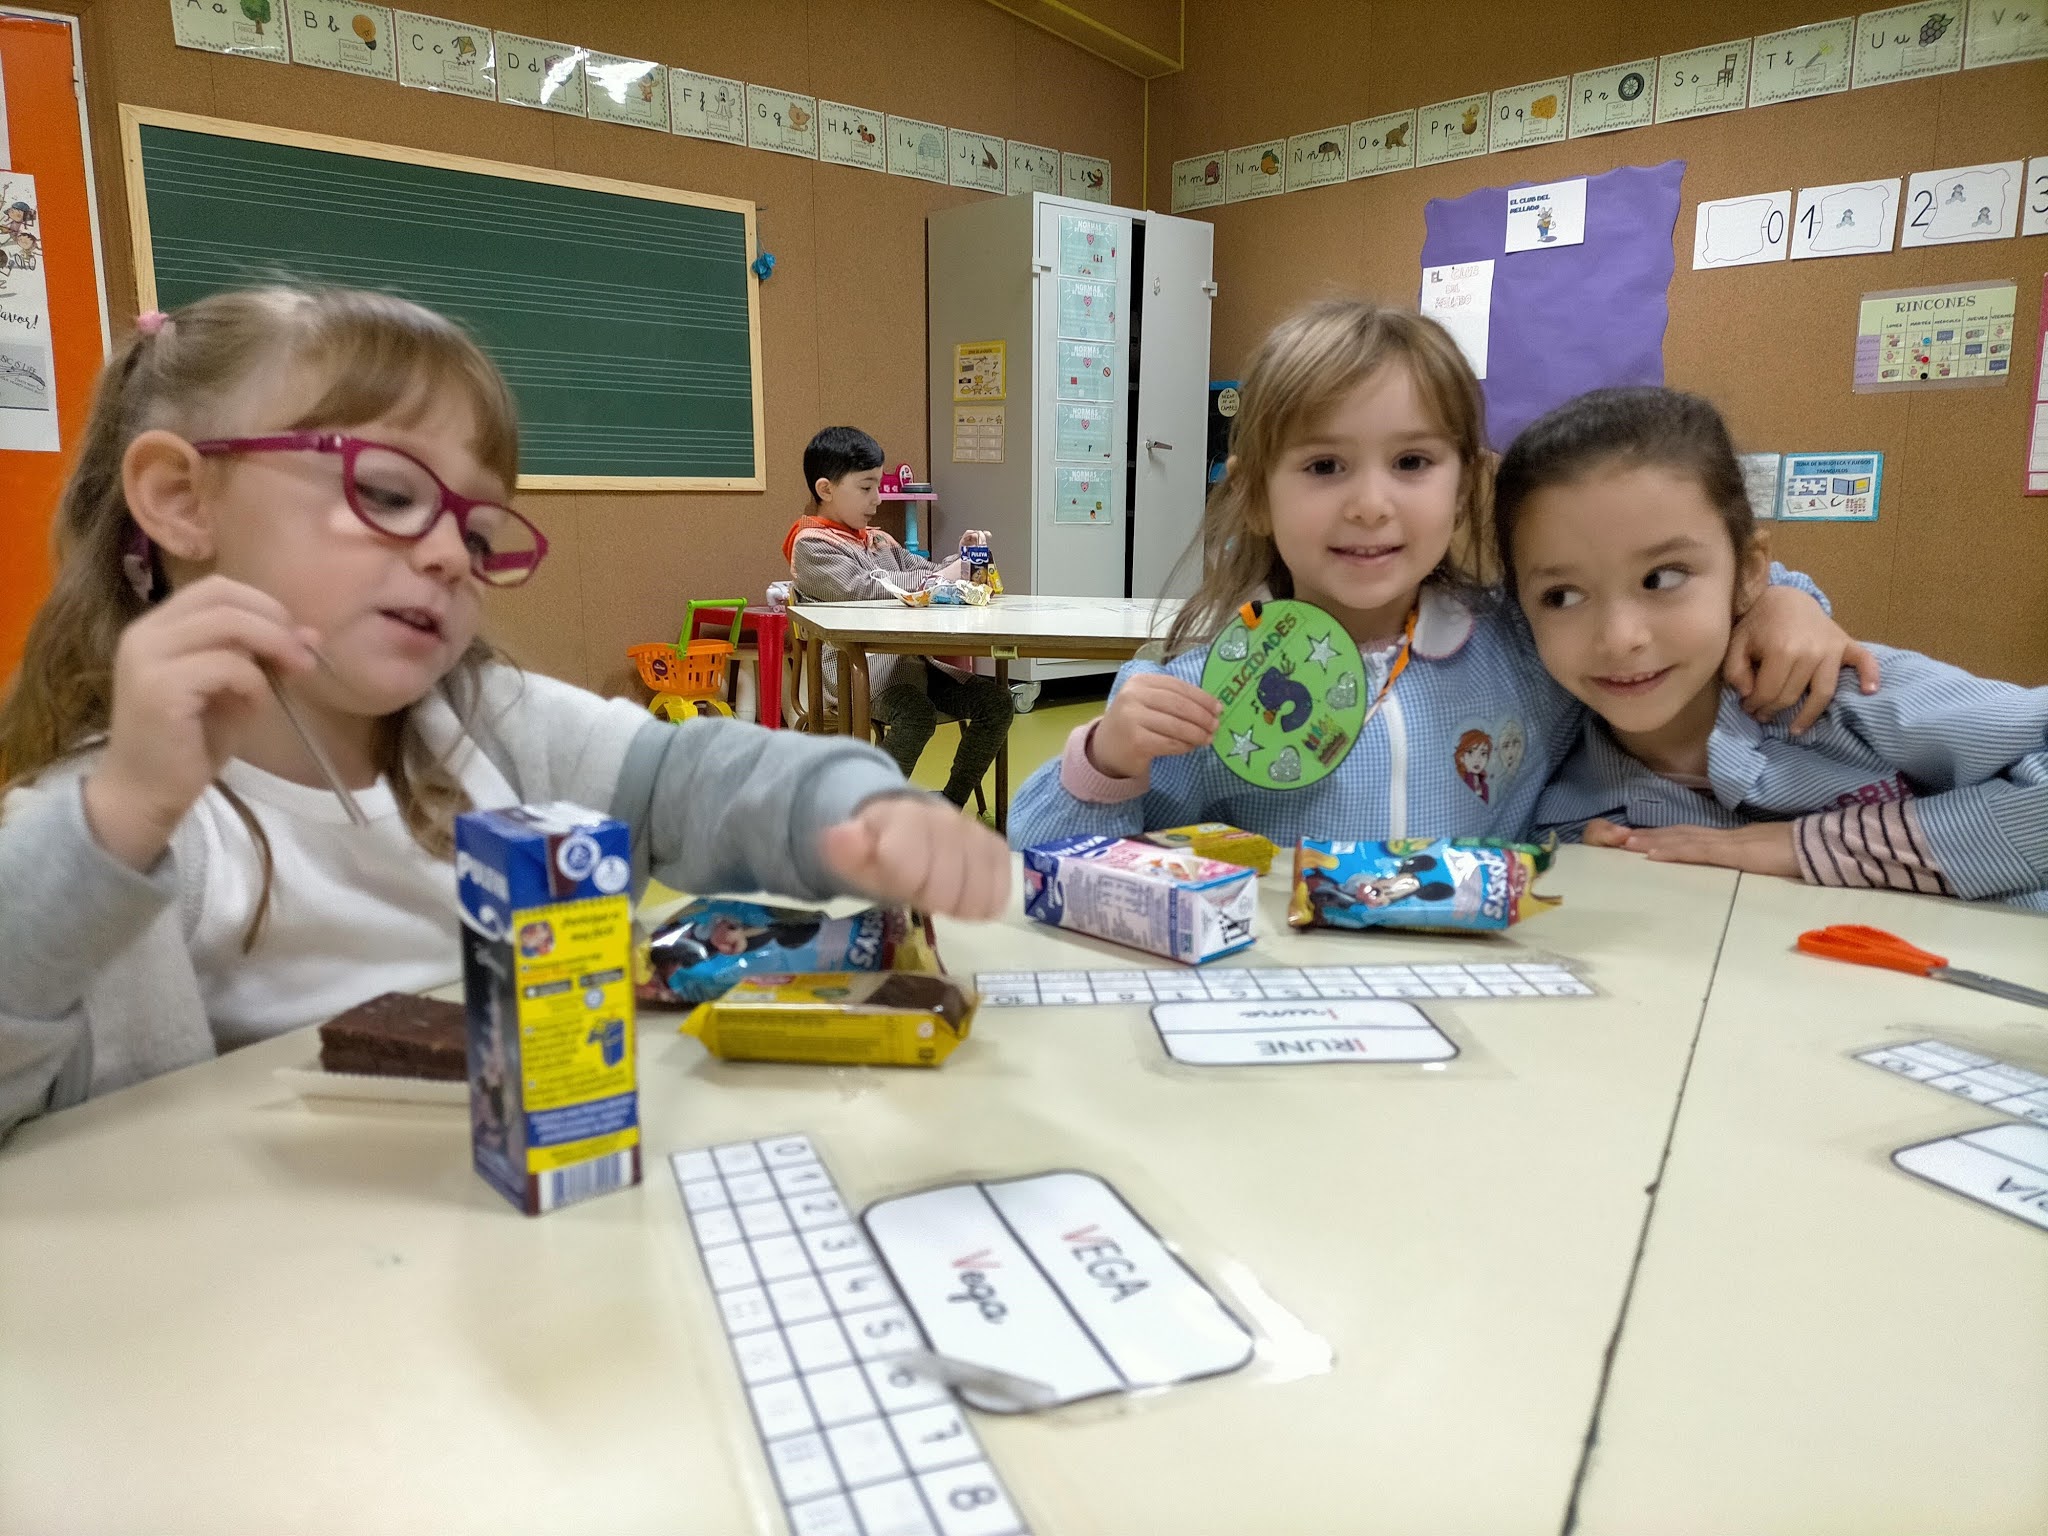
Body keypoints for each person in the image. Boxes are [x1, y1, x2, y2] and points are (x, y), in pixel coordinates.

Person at [0, 288, 1010, 1140]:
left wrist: (857, 806)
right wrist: (113, 824)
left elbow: (692, 777)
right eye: (387, 493)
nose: (450, 555)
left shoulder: (483, 723)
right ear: (182, 499)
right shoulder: (108, 820)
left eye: (479, 532)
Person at [1006, 298, 1872, 849]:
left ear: (1464, 486)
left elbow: (1669, 598)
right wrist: (1106, 757)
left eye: (1412, 462)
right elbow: (1042, 856)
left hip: (1485, 1000)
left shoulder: (1523, 643)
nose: (1371, 505)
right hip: (1300, 1005)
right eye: (1324, 467)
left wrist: (1785, 601)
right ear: (1256, 495)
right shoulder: (1200, 686)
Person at [1497, 385, 2047, 910]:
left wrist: (1808, 847)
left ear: (1749, 572)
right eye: (1562, 596)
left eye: (1662, 578)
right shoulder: (1570, 813)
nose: (1620, 638)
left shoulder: (1844, 694)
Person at [784, 426, 1013, 809]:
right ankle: (871, 808)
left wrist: (962, 560)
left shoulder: (877, 539)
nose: (877, 498)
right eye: (866, 487)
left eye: (877, 486)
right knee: (916, 715)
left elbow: (926, 573)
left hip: (909, 665)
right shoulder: (811, 546)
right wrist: (941, 577)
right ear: (826, 489)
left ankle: (950, 802)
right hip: (856, 672)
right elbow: (861, 588)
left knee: (997, 703)